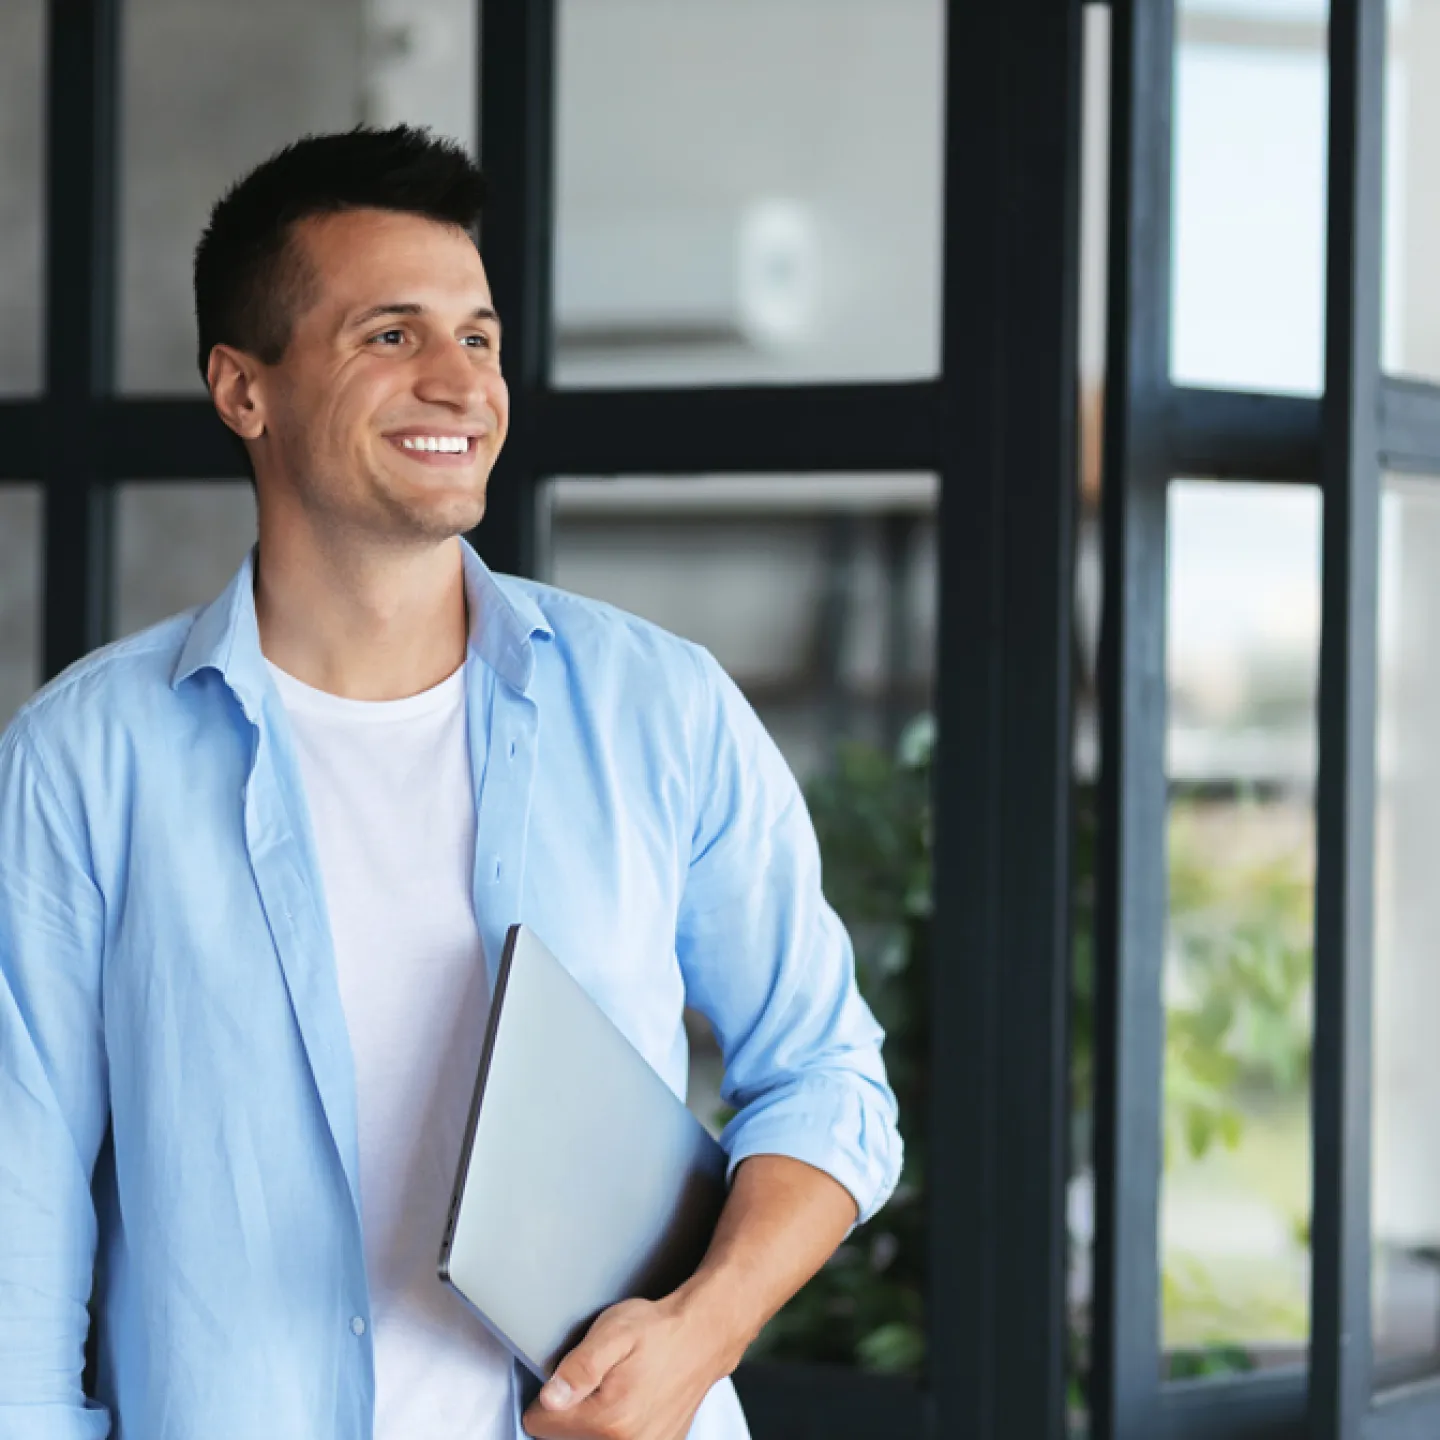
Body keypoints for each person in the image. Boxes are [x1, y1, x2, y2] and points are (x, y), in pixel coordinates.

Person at [0, 126, 901, 1440]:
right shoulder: (86, 761)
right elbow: (18, 1229)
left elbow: (827, 1076)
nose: (458, 382)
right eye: (389, 337)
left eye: (476, 339)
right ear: (242, 389)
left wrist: (701, 1334)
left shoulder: (661, 709)